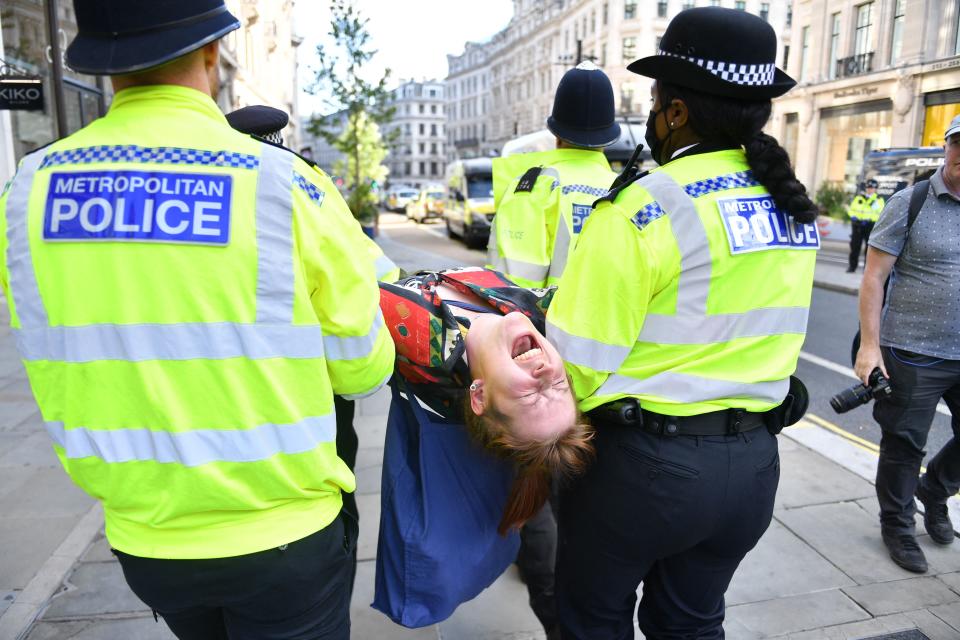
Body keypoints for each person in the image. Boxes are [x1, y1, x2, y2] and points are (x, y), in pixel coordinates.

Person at [0, 1, 395, 638]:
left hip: (145, 537)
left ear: (102, 65)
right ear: (212, 52)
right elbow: (362, 370)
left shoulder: (26, 189)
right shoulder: (283, 183)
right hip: (283, 537)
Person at [546, 7, 819, 638]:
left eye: (655, 101)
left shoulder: (647, 204)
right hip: (752, 468)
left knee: (592, 620)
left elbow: (575, 366)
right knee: (691, 625)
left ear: (676, 112)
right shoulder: (790, 204)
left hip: (641, 472)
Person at [378, 267, 594, 534]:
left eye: (530, 395)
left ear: (479, 395)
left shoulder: (424, 339)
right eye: (560, 385)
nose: (546, 372)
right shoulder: (545, 314)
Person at [854, 114, 960, 574]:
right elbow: (873, 278)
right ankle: (897, 524)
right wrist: (870, 348)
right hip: (912, 350)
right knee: (904, 443)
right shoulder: (911, 202)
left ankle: (934, 490)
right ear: (947, 148)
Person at [487, 61, 619, 289]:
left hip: (545, 324)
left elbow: (512, 288)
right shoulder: (629, 190)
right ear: (608, 138)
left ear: (556, 134)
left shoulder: (532, 189)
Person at [847, 178, 885, 273]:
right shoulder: (859, 198)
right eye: (868, 187)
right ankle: (852, 267)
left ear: (876, 189)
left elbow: (880, 214)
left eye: (872, 188)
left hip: (870, 226)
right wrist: (853, 216)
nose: (870, 189)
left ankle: (866, 270)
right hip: (857, 225)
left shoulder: (878, 200)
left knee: (869, 250)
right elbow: (852, 209)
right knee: (854, 247)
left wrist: (870, 219)